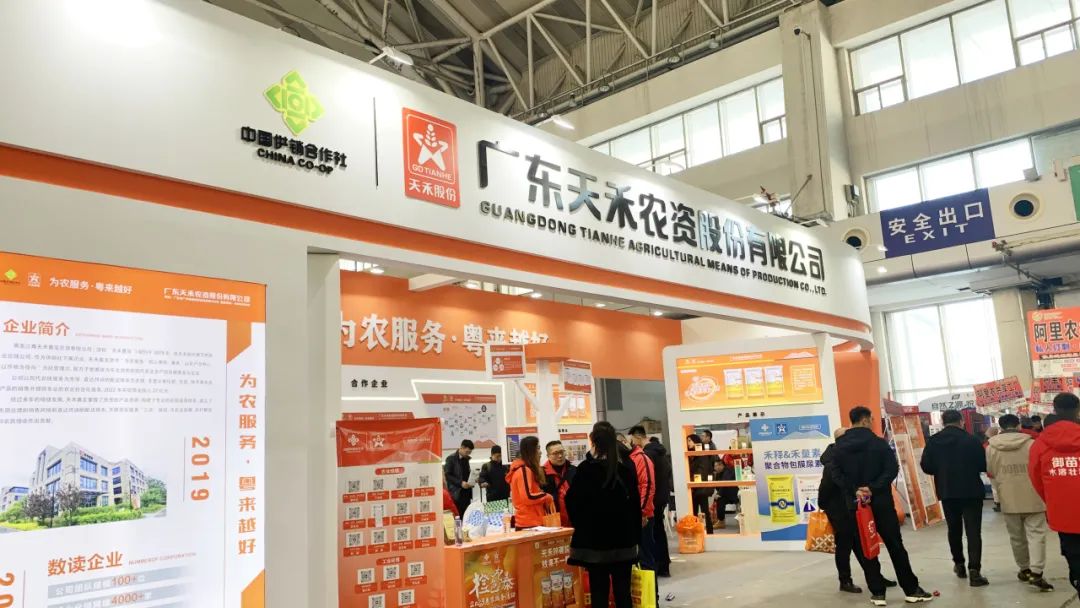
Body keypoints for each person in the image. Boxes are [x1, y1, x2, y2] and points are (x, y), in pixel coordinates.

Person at [831, 406, 933, 605]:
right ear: (865, 420)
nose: (872, 422)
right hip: (882, 503)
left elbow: (836, 474)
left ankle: (877, 593)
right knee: (895, 546)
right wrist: (873, 488)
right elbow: (891, 469)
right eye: (871, 419)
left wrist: (855, 490)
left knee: (867, 547)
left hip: (856, 506)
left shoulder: (839, 447)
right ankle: (911, 589)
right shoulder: (878, 443)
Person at [567, 421, 641, 608]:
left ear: (592, 440)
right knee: (623, 593)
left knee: (598, 593)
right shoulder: (625, 469)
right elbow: (635, 506)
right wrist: (636, 536)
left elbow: (572, 502)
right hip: (623, 542)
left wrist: (581, 526)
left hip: (594, 545)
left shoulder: (585, 470)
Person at [821, 427, 897, 595]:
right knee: (844, 546)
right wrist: (826, 507)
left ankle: (876, 578)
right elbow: (825, 487)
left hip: (854, 508)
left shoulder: (849, 454)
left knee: (863, 545)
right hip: (839, 511)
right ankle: (845, 580)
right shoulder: (833, 459)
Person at [920, 409, 989, 586]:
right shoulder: (971, 440)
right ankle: (975, 571)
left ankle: (959, 565)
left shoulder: (934, 441)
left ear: (943, 423)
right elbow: (983, 464)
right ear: (961, 421)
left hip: (947, 491)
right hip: (971, 491)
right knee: (973, 531)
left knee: (954, 529)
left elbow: (926, 466)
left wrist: (942, 470)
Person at [987, 414, 1053, 591]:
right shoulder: (1032, 444)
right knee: (1036, 535)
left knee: (1016, 537)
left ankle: (1024, 569)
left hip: (1008, 496)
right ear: (1018, 426)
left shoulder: (991, 447)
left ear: (1000, 427)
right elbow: (1041, 468)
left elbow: (991, 471)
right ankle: (1037, 572)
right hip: (1033, 495)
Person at [1029, 392, 1080, 599]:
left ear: (1055, 410)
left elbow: (1035, 478)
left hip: (1063, 513)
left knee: (1075, 559)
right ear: (1077, 410)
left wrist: (1053, 501)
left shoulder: (1041, 443)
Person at [627, 426, 657, 580]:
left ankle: (652, 593)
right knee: (637, 558)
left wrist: (642, 512)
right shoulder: (628, 459)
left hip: (643, 515)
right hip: (631, 516)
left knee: (645, 557)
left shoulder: (641, 458)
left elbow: (648, 485)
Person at [507, 436, 554, 529]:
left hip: (529, 522)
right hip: (529, 523)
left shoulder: (522, 470)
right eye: (538, 448)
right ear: (531, 451)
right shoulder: (524, 470)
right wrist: (546, 496)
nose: (540, 452)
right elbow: (527, 497)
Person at [643, 436, 672, 578]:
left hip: (652, 501)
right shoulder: (663, 454)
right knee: (659, 532)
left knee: (653, 534)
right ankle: (664, 565)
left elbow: (648, 481)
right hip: (662, 498)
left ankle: (656, 565)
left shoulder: (648, 455)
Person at [542, 440, 577, 527]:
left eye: (562, 452)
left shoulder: (574, 470)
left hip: (575, 519)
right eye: (555, 453)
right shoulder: (542, 474)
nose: (560, 456)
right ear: (548, 456)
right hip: (553, 521)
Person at [686, 434, 714, 534]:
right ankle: (696, 533)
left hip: (700, 488)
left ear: (696, 441)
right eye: (687, 441)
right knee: (694, 512)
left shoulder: (701, 454)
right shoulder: (691, 455)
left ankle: (709, 533)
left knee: (704, 511)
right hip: (694, 488)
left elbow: (702, 472)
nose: (688, 443)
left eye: (690, 440)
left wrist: (692, 480)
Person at [444, 439, 474, 516]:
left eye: (469, 452)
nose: (468, 454)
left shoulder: (466, 459)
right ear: (462, 447)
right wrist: (460, 483)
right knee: (458, 515)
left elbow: (466, 474)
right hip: (456, 493)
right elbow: (447, 475)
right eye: (467, 452)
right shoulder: (451, 458)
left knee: (466, 515)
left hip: (466, 492)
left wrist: (473, 480)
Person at [711, 459, 738, 529]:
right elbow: (718, 486)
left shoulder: (728, 471)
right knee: (716, 499)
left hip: (733, 493)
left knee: (720, 499)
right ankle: (717, 518)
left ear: (722, 465)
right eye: (715, 466)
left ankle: (721, 521)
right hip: (726, 493)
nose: (716, 467)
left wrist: (719, 494)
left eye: (717, 465)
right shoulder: (718, 473)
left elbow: (725, 483)